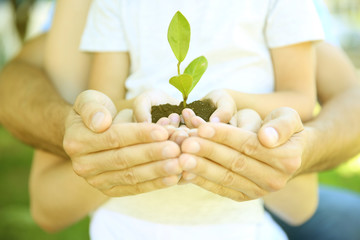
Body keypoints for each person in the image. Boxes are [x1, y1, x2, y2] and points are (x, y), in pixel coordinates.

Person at [0, 0, 359, 239]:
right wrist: (137, 112)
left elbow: (307, 100)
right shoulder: (112, 7)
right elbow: (103, 103)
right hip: (127, 223)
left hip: (239, 221)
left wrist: (233, 102)